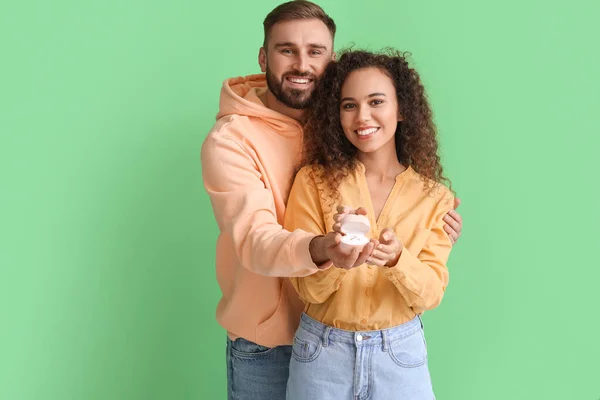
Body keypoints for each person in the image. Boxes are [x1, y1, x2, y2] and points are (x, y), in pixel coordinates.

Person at [200, 1, 463, 398]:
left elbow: (391, 173)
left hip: (379, 343)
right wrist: (325, 248)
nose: (302, 65)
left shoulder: (344, 129)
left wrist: (426, 223)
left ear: (332, 61)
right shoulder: (232, 142)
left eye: (315, 51)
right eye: (286, 49)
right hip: (270, 342)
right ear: (264, 57)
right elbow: (254, 240)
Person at [284, 49, 453, 399]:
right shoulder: (313, 182)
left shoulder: (434, 197)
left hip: (399, 357)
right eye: (349, 105)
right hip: (321, 355)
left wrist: (397, 260)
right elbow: (308, 291)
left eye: (376, 101)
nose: (363, 116)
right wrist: (334, 256)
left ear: (401, 108)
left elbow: (430, 294)